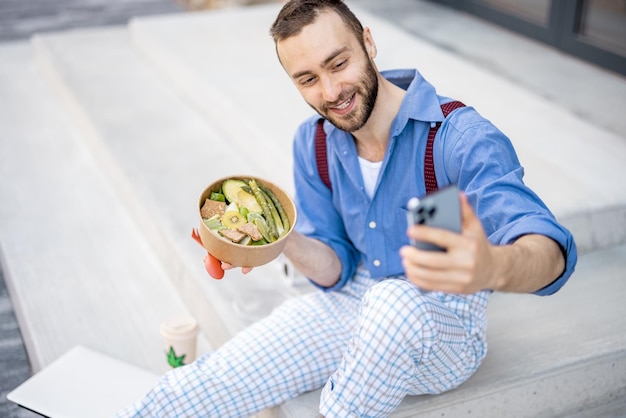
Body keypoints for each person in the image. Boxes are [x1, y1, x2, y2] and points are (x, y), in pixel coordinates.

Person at [116, 0, 577, 416]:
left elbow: (548, 249)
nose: (332, 90)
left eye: (339, 63)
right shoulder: (314, 143)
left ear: (369, 43)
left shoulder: (459, 137)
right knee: (207, 384)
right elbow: (336, 268)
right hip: (351, 300)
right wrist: (281, 240)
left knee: (390, 302)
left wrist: (493, 266)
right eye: (308, 79)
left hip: (443, 322)